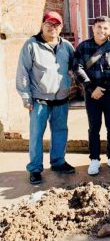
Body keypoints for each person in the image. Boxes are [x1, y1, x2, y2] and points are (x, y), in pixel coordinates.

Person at [16, 11, 75, 185]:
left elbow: (75, 67)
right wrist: (26, 97)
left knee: (60, 132)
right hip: (39, 100)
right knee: (36, 135)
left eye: (56, 24)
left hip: (61, 98)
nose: (53, 28)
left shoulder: (67, 46)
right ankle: (35, 168)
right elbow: (22, 72)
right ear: (42, 25)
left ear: (61, 27)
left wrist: (70, 79)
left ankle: (58, 162)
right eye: (49, 24)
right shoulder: (31, 45)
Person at [73, 16, 110, 178]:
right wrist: (90, 87)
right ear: (93, 28)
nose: (102, 31)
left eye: (105, 28)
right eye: (99, 27)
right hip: (91, 94)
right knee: (94, 127)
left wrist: (103, 88)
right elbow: (77, 68)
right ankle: (94, 159)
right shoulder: (83, 47)